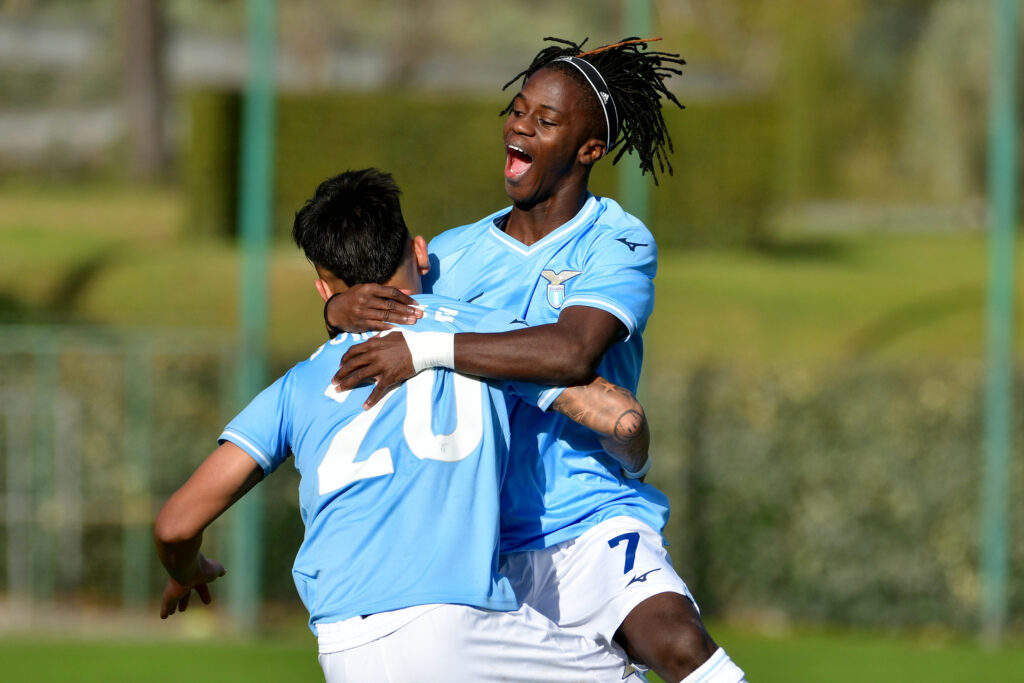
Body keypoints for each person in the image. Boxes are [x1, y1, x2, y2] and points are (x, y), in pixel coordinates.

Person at [325, 39, 747, 683]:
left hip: (589, 517)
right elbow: (378, 334)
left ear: (589, 150)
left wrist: (431, 347)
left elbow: (573, 351)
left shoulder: (618, 240)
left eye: (546, 121)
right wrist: (337, 312)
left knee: (681, 648)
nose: (520, 125)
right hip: (480, 545)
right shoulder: (451, 254)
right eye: (519, 110)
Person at [154, 168, 656, 682]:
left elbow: (175, 525)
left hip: (343, 644)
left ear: (323, 289)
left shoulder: (297, 384)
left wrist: (187, 571)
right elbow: (615, 416)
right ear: (420, 253)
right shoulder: (483, 333)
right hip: (457, 624)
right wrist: (633, 450)